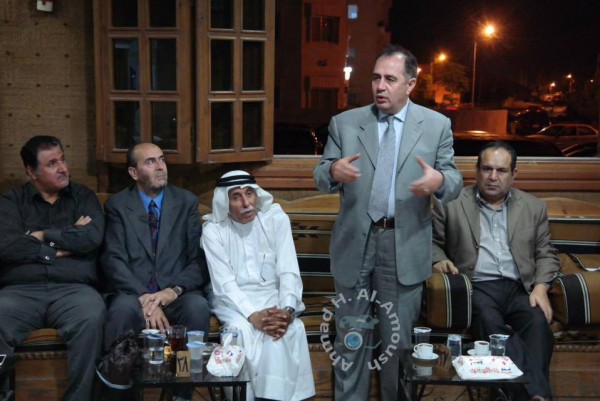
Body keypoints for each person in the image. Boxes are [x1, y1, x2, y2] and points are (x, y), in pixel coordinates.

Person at [313, 44, 463, 400]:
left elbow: (455, 180)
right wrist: (333, 171)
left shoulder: (436, 125)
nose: (380, 86)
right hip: (355, 243)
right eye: (376, 78)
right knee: (351, 339)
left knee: (398, 344)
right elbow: (320, 174)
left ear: (410, 84)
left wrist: (440, 181)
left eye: (390, 79)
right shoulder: (345, 123)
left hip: (403, 243)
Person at [432, 141, 558, 401]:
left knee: (538, 324)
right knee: (490, 323)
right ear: (476, 171)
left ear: (513, 174)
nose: (492, 176)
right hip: (476, 287)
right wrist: (438, 260)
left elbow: (546, 253)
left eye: (501, 170)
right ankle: (535, 395)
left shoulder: (533, 207)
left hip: (520, 288)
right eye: (487, 169)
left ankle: (521, 395)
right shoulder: (451, 204)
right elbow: (431, 243)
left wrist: (541, 287)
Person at [0, 135, 106, 401]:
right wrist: (60, 245)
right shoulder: (12, 201)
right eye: (52, 164)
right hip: (20, 291)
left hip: (74, 290)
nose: (63, 168)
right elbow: (7, 246)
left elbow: (91, 238)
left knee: (91, 316)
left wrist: (38, 235)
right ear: (31, 171)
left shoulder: (83, 197)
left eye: (63, 160)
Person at [201, 170, 315, 401]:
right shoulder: (213, 230)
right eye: (236, 197)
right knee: (241, 330)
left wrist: (287, 310)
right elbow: (224, 284)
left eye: (249, 194)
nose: (246, 203)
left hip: (273, 296)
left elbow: (288, 270)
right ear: (225, 202)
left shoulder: (276, 219)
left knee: (284, 329)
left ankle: (275, 397)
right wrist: (252, 315)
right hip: (231, 301)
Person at [101, 142, 210, 354]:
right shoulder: (118, 206)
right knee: (122, 310)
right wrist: (145, 298)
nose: (160, 167)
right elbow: (113, 260)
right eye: (150, 162)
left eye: (162, 160)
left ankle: (184, 374)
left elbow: (198, 259)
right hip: (133, 294)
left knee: (197, 307)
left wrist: (172, 291)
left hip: (175, 293)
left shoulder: (186, 202)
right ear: (134, 172)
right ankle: (120, 374)